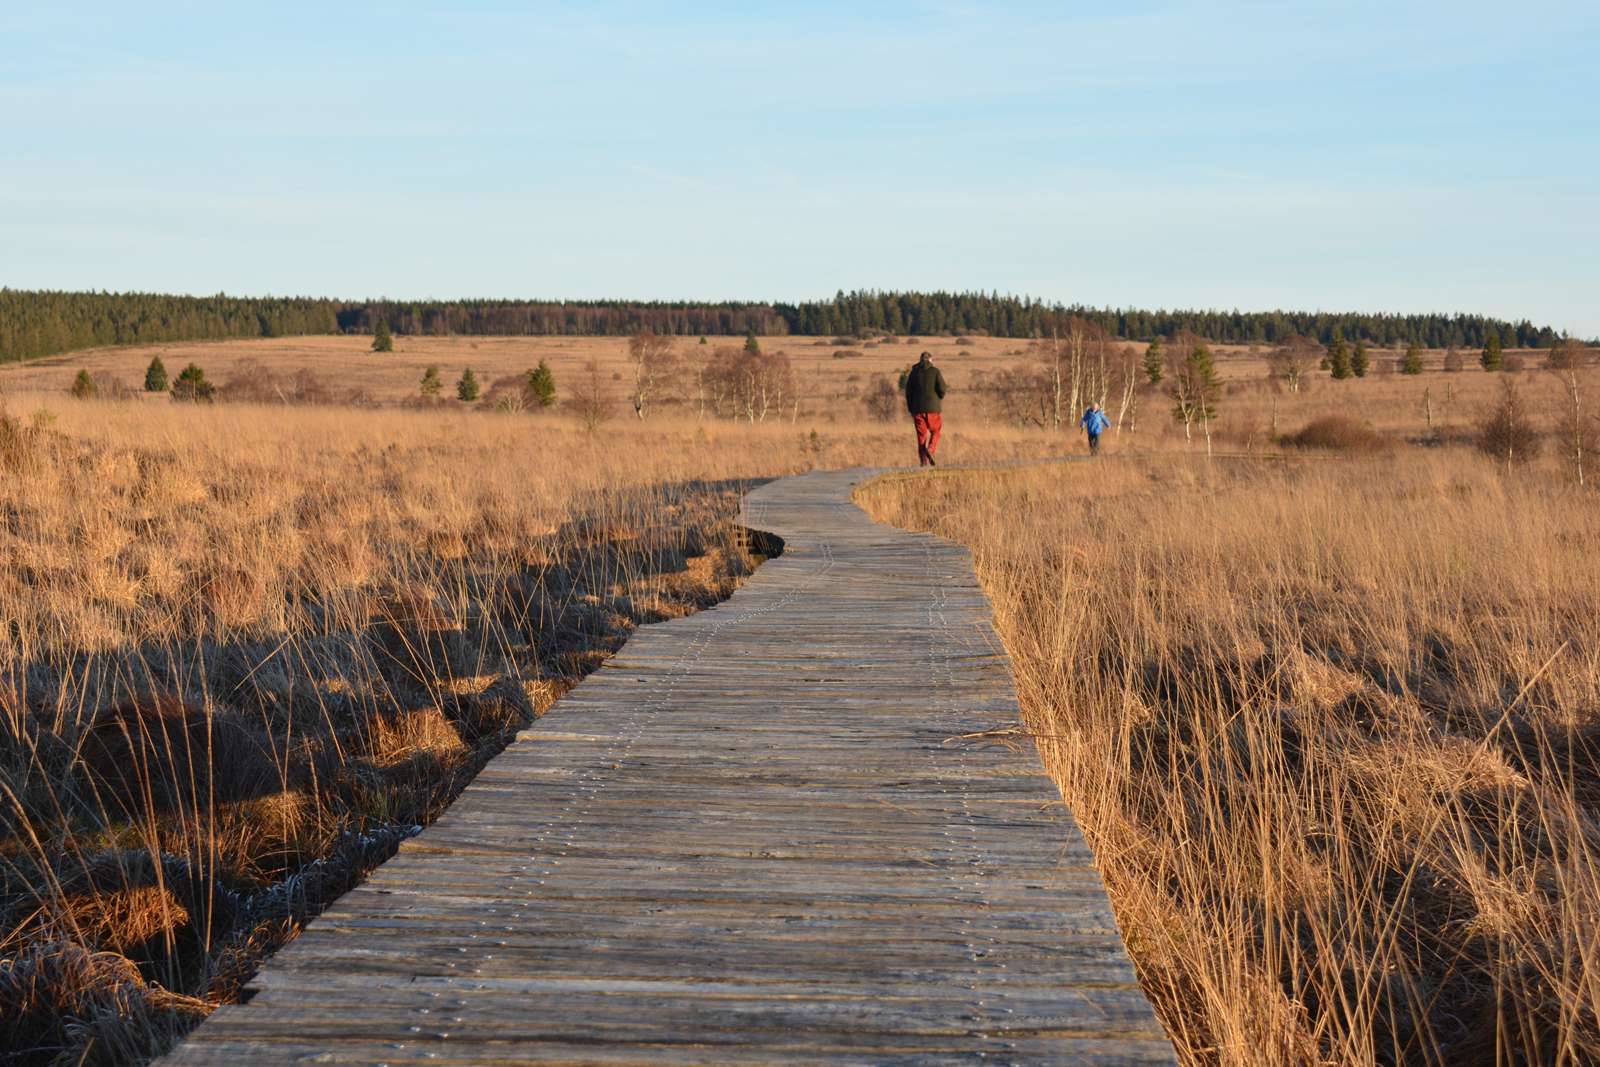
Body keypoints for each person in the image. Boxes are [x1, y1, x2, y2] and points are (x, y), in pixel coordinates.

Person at [903, 351, 947, 466]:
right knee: (936, 430)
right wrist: (939, 397)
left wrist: (911, 409)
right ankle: (931, 450)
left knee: (921, 436)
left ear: (920, 360)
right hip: (933, 409)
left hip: (918, 409)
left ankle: (923, 461)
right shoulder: (935, 372)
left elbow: (908, 393)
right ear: (930, 360)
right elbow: (942, 388)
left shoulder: (913, 373)